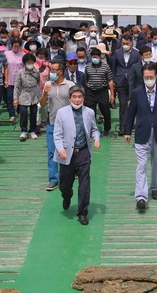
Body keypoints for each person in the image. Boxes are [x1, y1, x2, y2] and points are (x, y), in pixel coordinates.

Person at [124, 63, 157, 210]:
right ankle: (140, 197)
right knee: (141, 165)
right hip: (142, 131)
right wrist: (127, 131)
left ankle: (155, 187)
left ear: (156, 76)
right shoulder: (136, 92)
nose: (149, 79)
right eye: (146, 77)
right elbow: (131, 113)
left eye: (151, 77)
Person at [53, 85, 101, 226]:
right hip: (67, 154)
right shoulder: (61, 113)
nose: (77, 100)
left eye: (80, 97)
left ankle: (82, 212)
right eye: (74, 97)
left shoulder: (89, 112)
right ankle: (67, 195)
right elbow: (57, 134)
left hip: (83, 152)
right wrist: (61, 149)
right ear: (69, 98)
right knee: (65, 184)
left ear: (84, 98)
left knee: (84, 184)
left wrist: (96, 138)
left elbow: (94, 129)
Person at [39, 60, 75, 191]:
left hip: (68, 124)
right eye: (51, 70)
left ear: (60, 72)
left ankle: (69, 174)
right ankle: (53, 179)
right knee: (52, 152)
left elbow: (76, 103)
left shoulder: (70, 85)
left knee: (69, 151)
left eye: (54, 70)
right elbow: (42, 104)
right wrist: (44, 93)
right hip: (52, 123)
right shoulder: (48, 84)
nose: (51, 72)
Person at [111, 34, 140, 135]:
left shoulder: (137, 54)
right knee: (123, 105)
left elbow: (139, 68)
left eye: (127, 44)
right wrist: (114, 79)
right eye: (123, 43)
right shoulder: (117, 53)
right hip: (121, 81)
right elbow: (113, 67)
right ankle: (123, 126)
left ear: (131, 43)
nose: (125, 45)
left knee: (134, 103)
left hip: (134, 82)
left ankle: (133, 123)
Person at [84, 48, 115, 138]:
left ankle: (106, 130)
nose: (95, 59)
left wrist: (112, 94)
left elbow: (110, 81)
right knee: (90, 113)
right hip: (91, 92)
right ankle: (92, 131)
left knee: (106, 112)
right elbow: (86, 79)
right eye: (93, 57)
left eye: (97, 57)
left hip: (102, 92)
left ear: (100, 57)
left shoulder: (106, 67)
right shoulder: (88, 67)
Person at [13, 53, 41, 141]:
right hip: (23, 95)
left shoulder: (36, 72)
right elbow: (17, 86)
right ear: (25, 63)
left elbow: (38, 83)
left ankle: (33, 130)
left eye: (31, 62)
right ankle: (23, 130)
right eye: (28, 62)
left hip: (34, 95)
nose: (30, 64)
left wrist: (39, 96)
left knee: (33, 113)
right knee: (23, 113)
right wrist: (15, 98)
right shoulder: (20, 72)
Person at [4, 39, 24, 123]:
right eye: (14, 46)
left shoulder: (23, 55)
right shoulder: (6, 54)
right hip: (9, 79)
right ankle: (12, 114)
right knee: (9, 97)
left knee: (20, 97)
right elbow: (4, 67)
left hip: (20, 80)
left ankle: (19, 112)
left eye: (18, 46)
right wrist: (5, 79)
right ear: (11, 46)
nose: (16, 48)